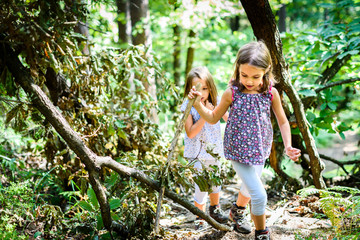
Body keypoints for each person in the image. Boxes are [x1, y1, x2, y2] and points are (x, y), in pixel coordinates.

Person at [188, 41, 301, 239]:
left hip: (260, 149)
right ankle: (262, 232)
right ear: (237, 69)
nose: (249, 81)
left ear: (266, 71)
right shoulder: (231, 93)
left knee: (248, 189)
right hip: (237, 150)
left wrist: (288, 145)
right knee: (259, 195)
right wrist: (197, 105)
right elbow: (213, 117)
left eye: (256, 76)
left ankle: (237, 211)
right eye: (244, 75)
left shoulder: (270, 93)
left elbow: (283, 122)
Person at [181, 66, 229, 230]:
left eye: (205, 88)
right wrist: (204, 114)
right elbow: (191, 132)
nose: (201, 93)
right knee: (200, 187)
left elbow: (228, 119)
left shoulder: (215, 103)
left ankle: (215, 209)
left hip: (214, 152)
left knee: (216, 183)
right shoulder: (187, 106)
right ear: (190, 90)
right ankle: (199, 218)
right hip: (197, 154)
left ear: (210, 88)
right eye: (197, 89)